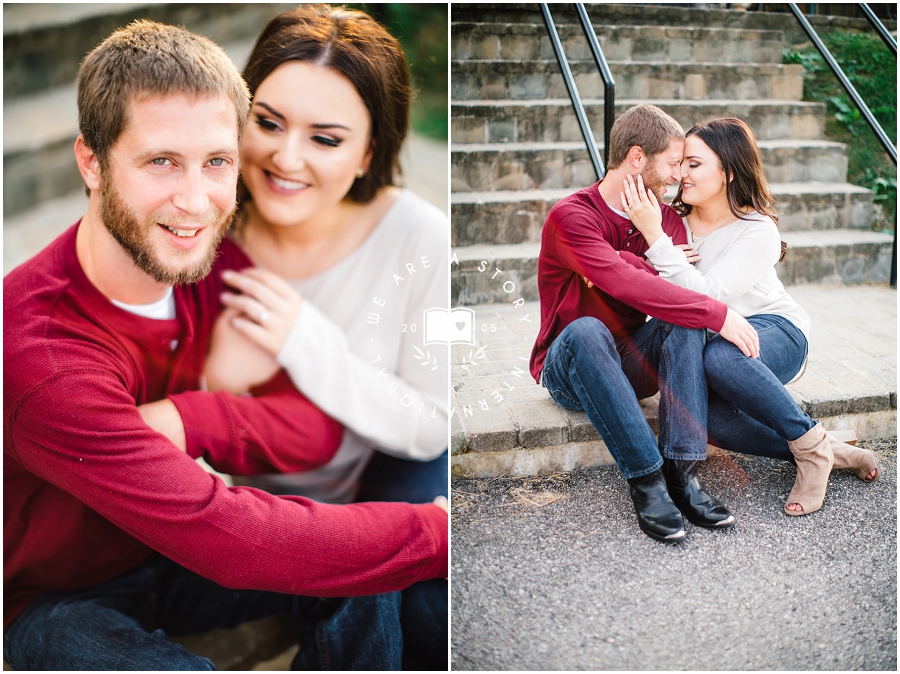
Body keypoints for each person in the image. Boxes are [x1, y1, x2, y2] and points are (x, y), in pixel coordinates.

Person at [3, 21, 447, 671]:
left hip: (199, 538)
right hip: (57, 595)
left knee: (374, 584)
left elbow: (332, 427)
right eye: (161, 161)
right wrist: (436, 528)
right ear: (91, 162)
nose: (194, 201)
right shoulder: (45, 356)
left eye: (215, 162)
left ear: (365, 152)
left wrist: (194, 418)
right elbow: (230, 536)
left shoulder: (214, 261)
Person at [618, 116, 879, 516]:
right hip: (715, 338)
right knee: (706, 416)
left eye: (694, 164)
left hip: (776, 329)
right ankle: (824, 448)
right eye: (681, 162)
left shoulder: (756, 230)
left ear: (728, 172)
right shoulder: (674, 225)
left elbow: (705, 297)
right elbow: (664, 299)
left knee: (719, 357)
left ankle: (810, 452)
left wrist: (656, 240)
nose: (681, 174)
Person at [530, 104, 761, 543]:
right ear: (638, 158)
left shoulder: (665, 220)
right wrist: (638, 267)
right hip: (571, 366)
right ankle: (647, 481)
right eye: (673, 163)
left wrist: (635, 263)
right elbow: (625, 283)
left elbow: (680, 295)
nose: (678, 176)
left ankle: (682, 472)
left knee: (685, 319)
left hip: (630, 360)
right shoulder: (572, 216)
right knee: (586, 330)